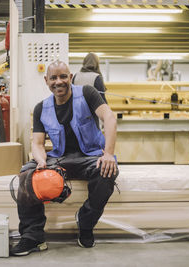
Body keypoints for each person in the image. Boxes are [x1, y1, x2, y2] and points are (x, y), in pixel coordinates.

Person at [10, 60, 118, 256]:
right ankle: (32, 236)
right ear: (46, 80)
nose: (58, 82)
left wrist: (108, 153)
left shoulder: (87, 93)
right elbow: (38, 144)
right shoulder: (41, 108)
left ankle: (85, 223)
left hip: (91, 156)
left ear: (70, 77)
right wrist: (41, 161)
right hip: (60, 159)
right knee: (27, 174)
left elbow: (109, 118)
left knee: (107, 172)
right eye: (53, 78)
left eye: (62, 76)